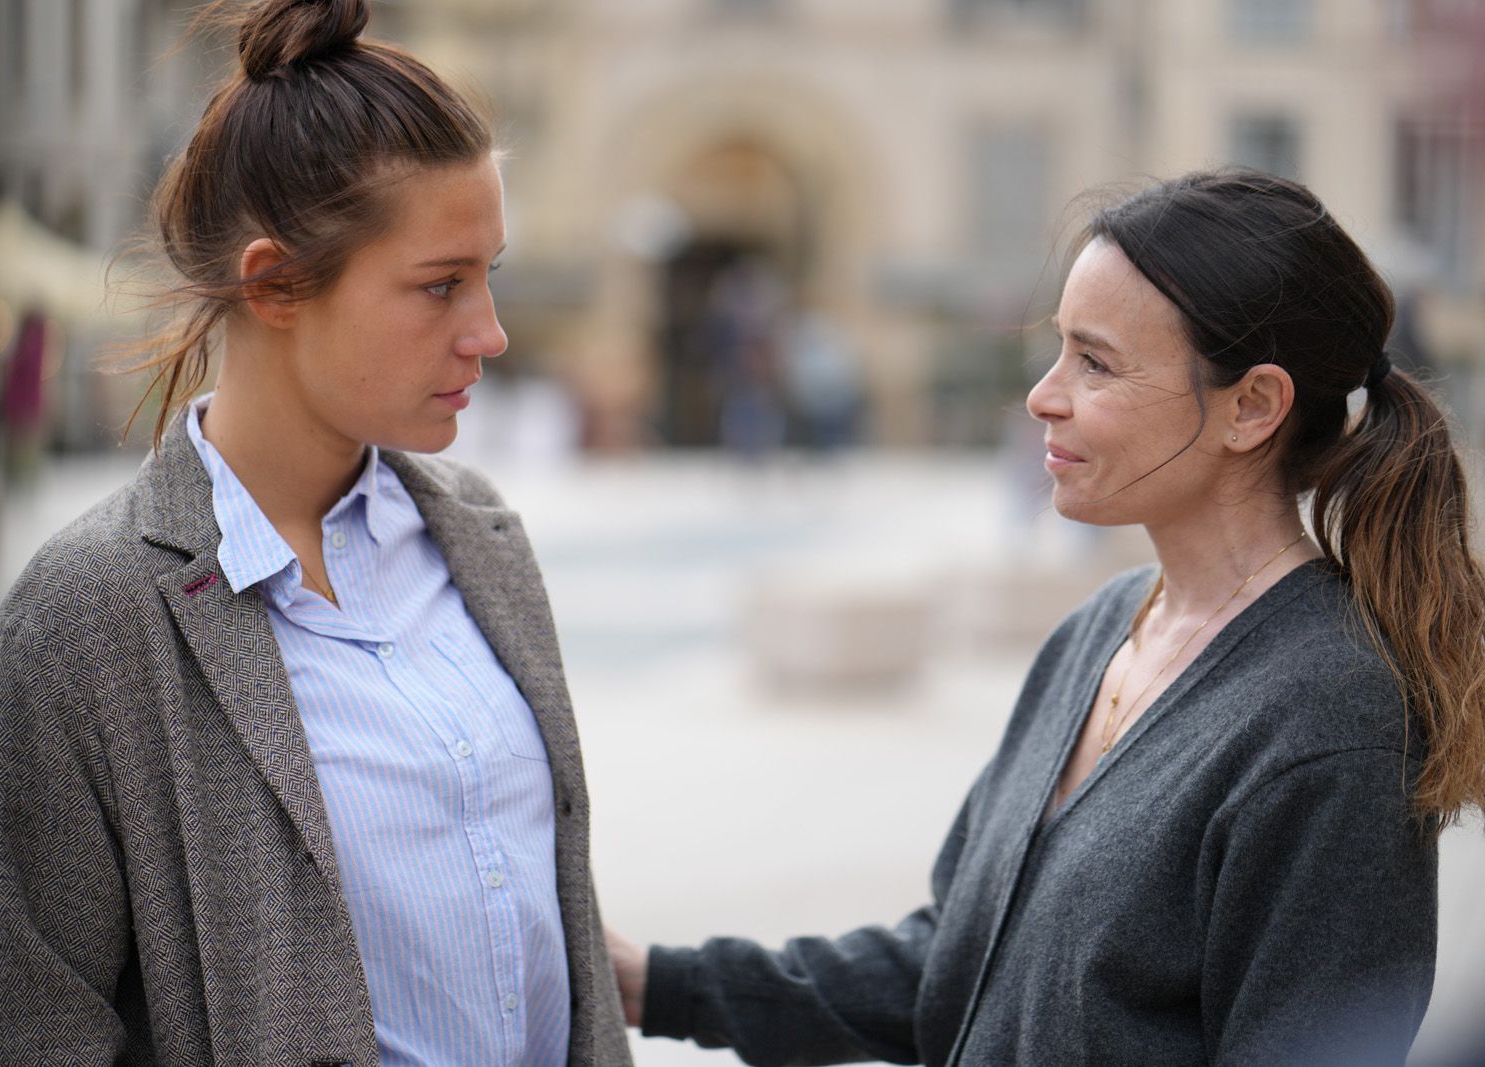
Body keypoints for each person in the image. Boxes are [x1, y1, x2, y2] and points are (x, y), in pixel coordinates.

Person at [607, 169, 1485, 1065]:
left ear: (1252, 406)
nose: (1043, 395)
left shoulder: (1333, 718)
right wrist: (661, 981)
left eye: (1096, 362)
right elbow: (957, 967)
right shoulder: (1100, 629)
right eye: (1059, 349)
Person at [0, 2, 631, 1064]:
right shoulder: (86, 617)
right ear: (273, 283)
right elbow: (27, 1025)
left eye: (489, 273)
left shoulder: (484, 539)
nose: (488, 330)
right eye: (440, 284)